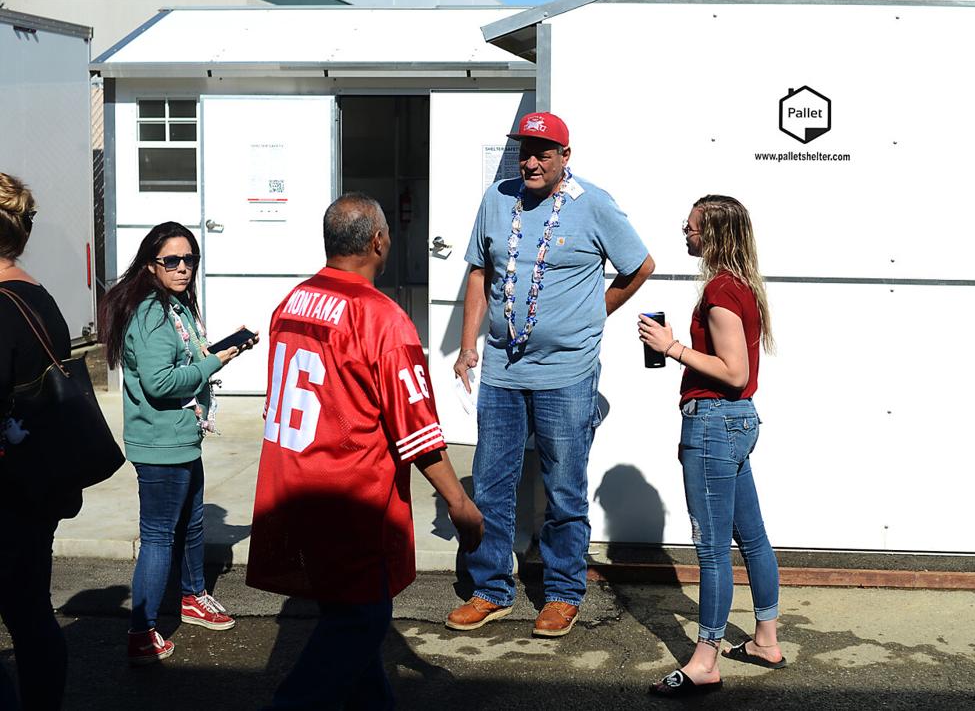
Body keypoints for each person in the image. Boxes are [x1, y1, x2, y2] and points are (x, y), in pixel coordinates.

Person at [247, 194, 483, 709]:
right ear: (378, 242)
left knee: (350, 624)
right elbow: (417, 429)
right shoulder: (383, 318)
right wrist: (460, 504)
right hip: (350, 494)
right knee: (361, 622)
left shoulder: (291, 303)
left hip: (295, 486)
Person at [446, 111, 654, 638]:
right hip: (502, 370)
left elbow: (640, 266)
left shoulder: (593, 205)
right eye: (526, 151)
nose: (533, 161)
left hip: (567, 371)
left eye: (544, 152)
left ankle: (562, 592)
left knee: (563, 486)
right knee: (492, 483)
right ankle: (491, 589)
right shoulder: (497, 199)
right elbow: (479, 272)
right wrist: (468, 343)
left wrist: (593, 314)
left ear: (566, 156)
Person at [638, 195, 785, 696]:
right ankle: (765, 639)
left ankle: (706, 659)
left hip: (715, 423)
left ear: (716, 234)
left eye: (693, 226)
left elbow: (734, 372)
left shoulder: (721, 292)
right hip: (739, 423)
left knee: (712, 550)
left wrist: (671, 348)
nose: (686, 232)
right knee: (753, 538)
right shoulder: (741, 286)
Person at [96, 221, 257, 665]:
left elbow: (183, 358)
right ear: (151, 264)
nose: (183, 268)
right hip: (160, 445)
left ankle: (192, 596)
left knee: (192, 526)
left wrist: (216, 353)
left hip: (183, 437)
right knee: (159, 537)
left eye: (190, 260)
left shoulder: (177, 306)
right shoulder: (150, 313)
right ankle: (141, 630)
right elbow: (161, 382)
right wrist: (215, 361)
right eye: (172, 260)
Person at [0, 173, 80, 709]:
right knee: (31, 612)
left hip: (6, 490)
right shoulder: (37, 296)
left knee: (27, 616)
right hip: (39, 483)